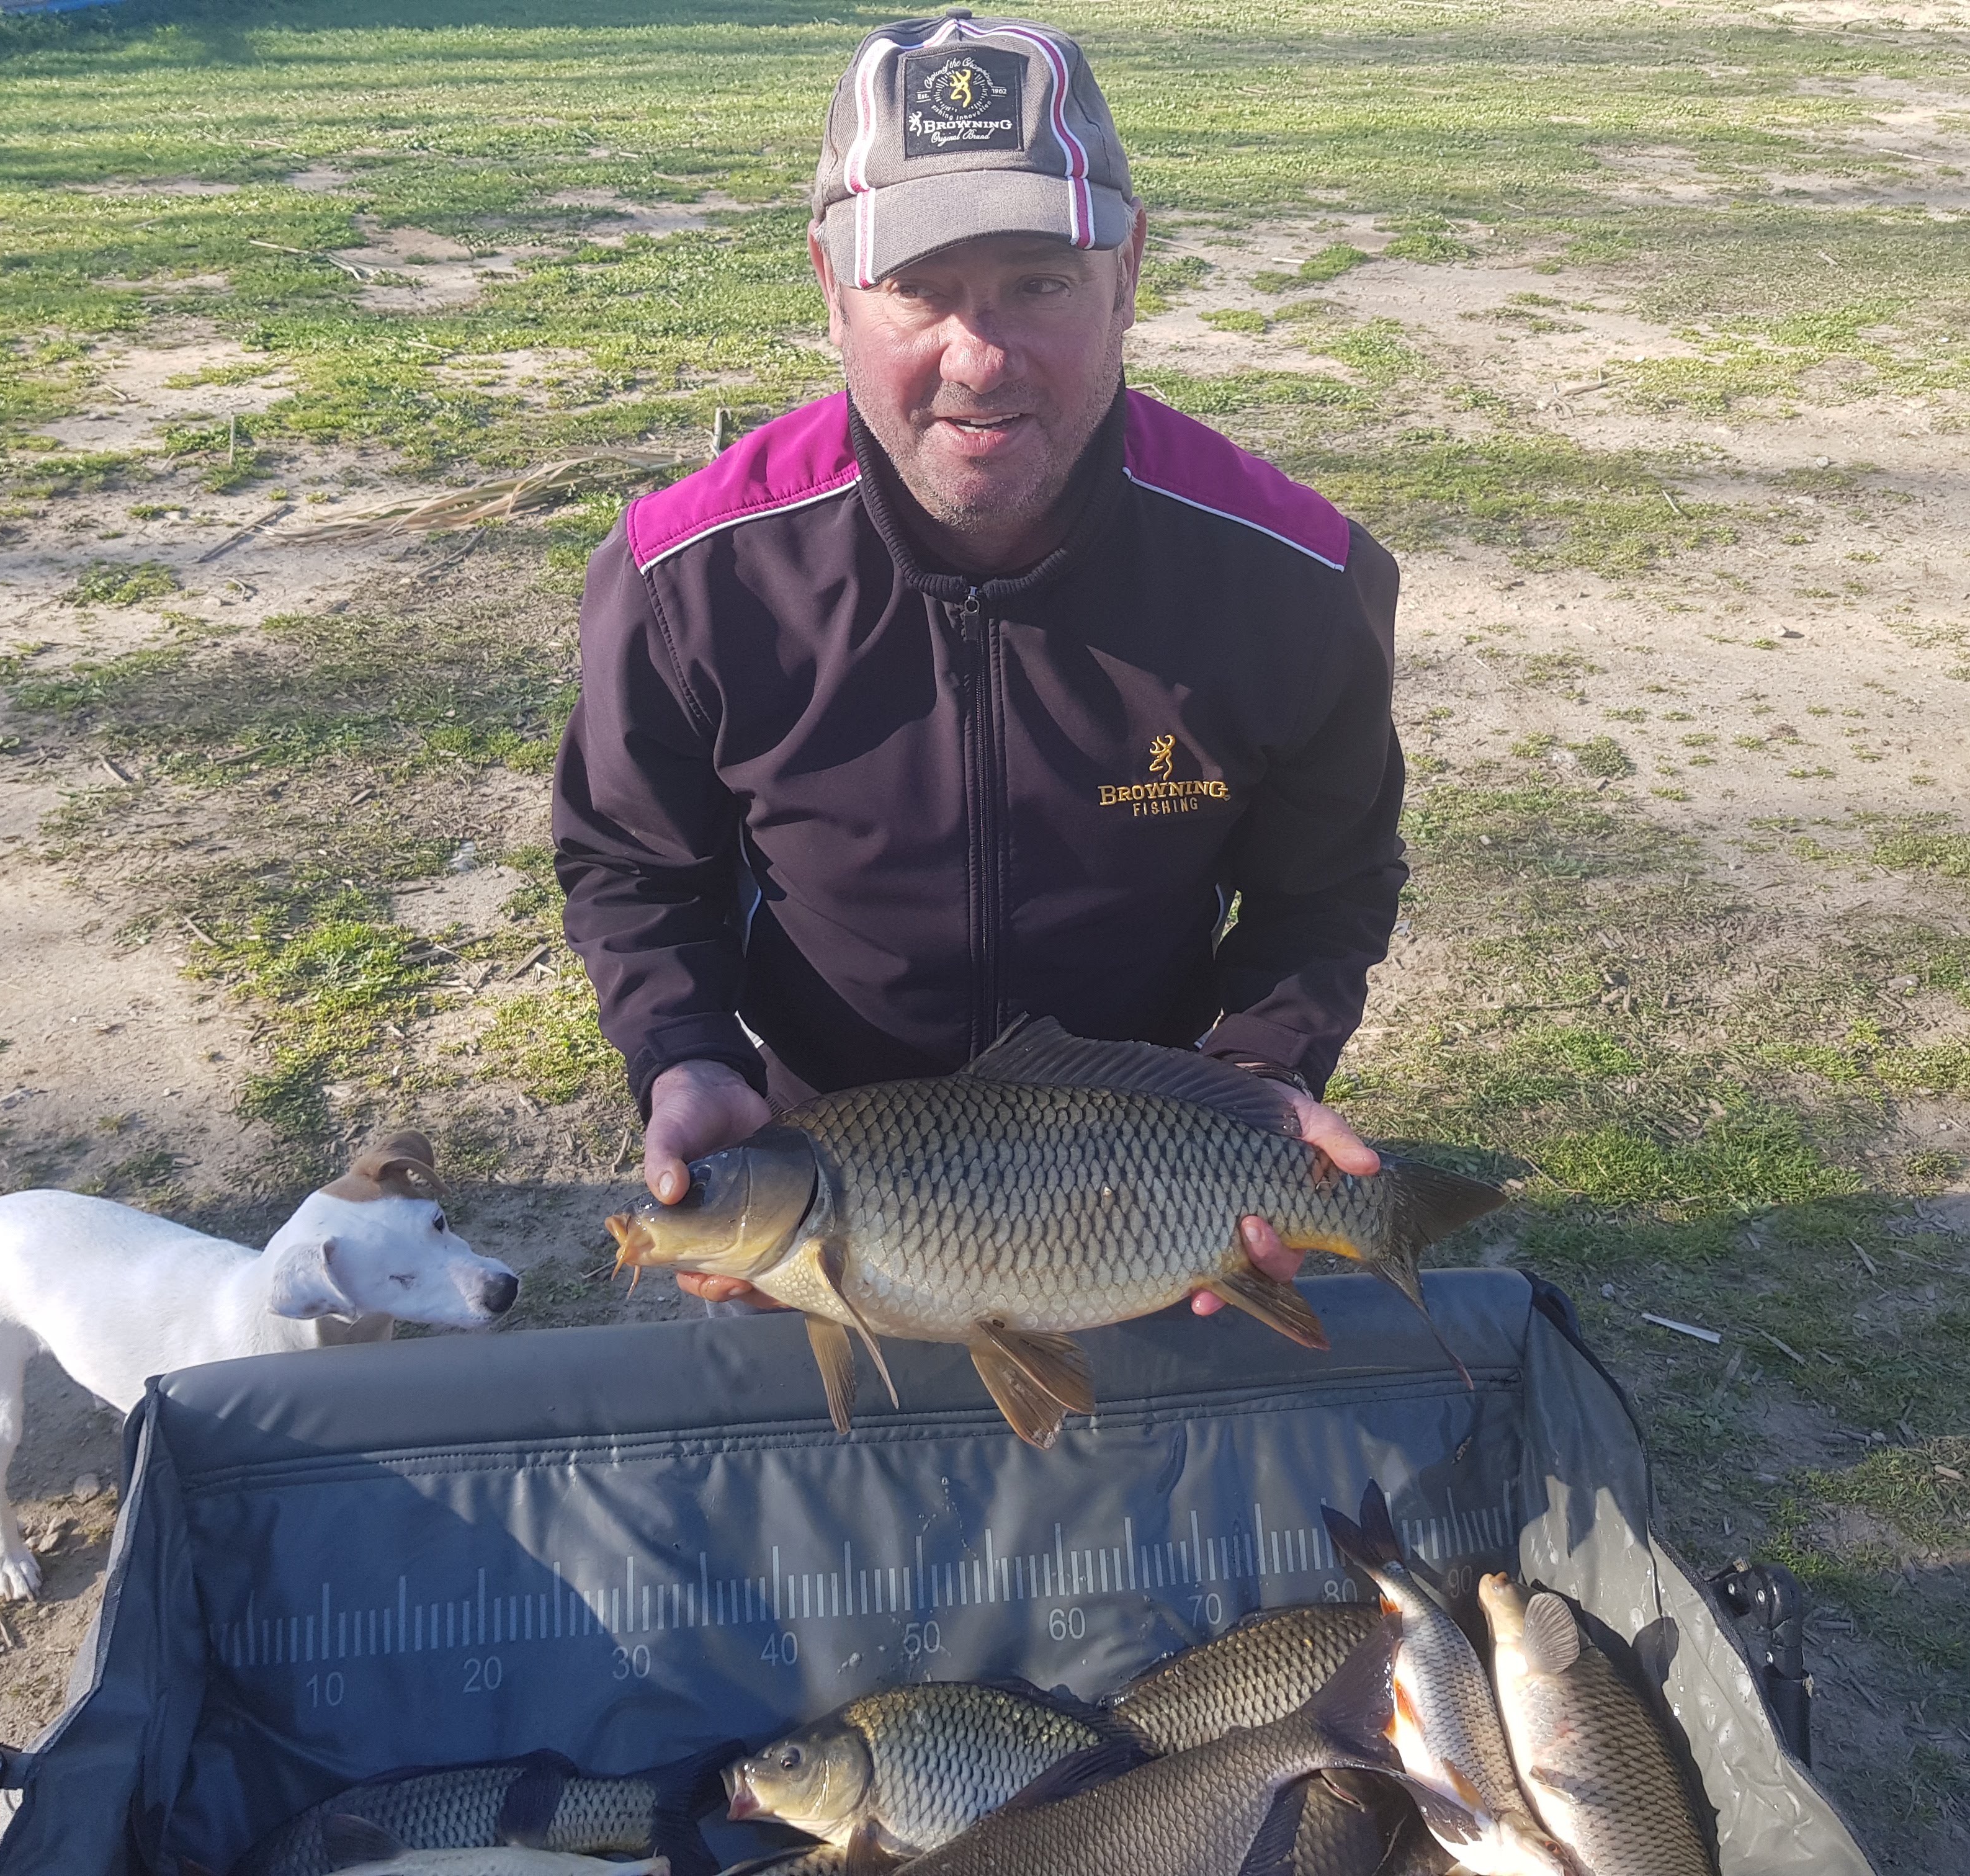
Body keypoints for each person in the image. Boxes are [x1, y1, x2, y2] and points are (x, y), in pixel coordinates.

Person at [553, 11, 1407, 1314]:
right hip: (814, 1146)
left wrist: (1261, 1073)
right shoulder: (687, 577)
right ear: (832, 286)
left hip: (1142, 1163)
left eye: (1040, 282)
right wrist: (685, 1055)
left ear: (1128, 275)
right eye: (918, 287)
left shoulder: (1296, 578)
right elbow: (633, 866)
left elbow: (1328, 883)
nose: (980, 355)